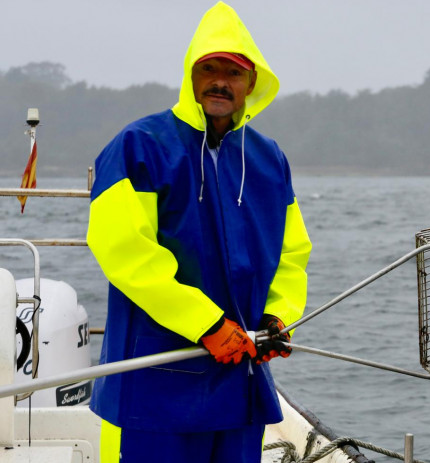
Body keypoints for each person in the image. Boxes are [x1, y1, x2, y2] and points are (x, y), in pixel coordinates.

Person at [85, 2, 311, 462]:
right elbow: (124, 251)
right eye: (209, 68)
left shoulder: (270, 160)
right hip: (154, 381)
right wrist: (204, 324)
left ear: (252, 84)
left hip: (239, 383)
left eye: (234, 71)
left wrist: (276, 317)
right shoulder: (139, 146)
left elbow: (291, 254)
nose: (220, 81)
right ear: (191, 76)